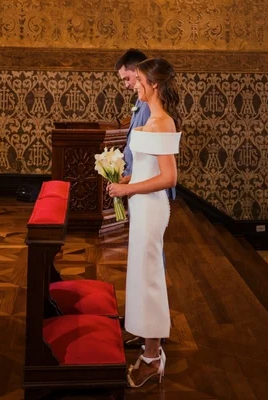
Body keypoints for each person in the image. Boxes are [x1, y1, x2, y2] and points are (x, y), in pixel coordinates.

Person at [109, 57, 181, 388]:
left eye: (137, 80)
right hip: (140, 205)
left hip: (151, 210)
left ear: (153, 84)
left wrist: (128, 188)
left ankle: (152, 358)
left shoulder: (163, 122)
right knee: (140, 276)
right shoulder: (150, 118)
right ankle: (147, 345)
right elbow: (148, 167)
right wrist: (126, 176)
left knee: (149, 279)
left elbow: (168, 177)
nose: (134, 85)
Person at [115, 49, 150, 180]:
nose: (126, 85)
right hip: (132, 176)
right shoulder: (140, 100)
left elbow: (148, 153)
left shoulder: (150, 104)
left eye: (127, 79)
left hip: (141, 180)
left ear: (138, 71)